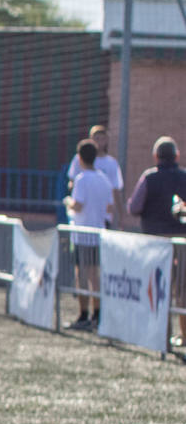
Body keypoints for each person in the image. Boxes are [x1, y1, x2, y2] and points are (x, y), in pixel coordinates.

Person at [128, 136, 186, 345]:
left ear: (156, 156)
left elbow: (134, 208)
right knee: (182, 290)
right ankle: (184, 334)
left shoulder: (149, 178)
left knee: (158, 288)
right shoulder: (184, 177)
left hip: (155, 242)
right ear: (177, 156)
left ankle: (162, 333)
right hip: (181, 240)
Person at [63, 139, 114, 332]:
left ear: (80, 157)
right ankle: (97, 314)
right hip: (98, 233)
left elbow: (78, 205)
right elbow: (110, 207)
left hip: (83, 234)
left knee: (82, 275)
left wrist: (68, 201)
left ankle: (84, 314)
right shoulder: (104, 179)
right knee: (95, 275)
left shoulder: (82, 179)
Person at [64, 124, 124, 228]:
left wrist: (120, 216)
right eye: (96, 138)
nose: (99, 142)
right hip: (83, 218)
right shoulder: (79, 161)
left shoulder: (111, 164)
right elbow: (72, 182)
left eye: (102, 138)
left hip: (100, 217)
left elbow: (115, 192)